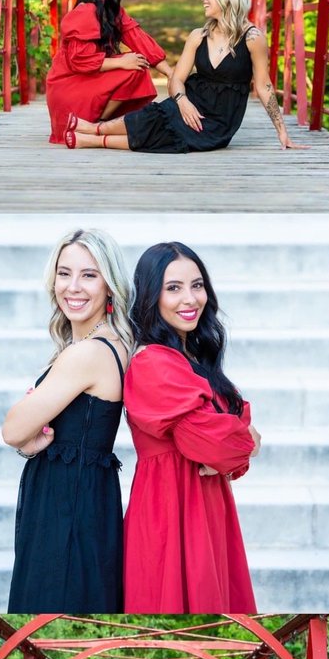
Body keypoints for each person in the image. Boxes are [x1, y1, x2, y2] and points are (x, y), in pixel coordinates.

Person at [122, 241, 261, 613]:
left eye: (197, 285)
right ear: (151, 296)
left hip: (206, 501)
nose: (190, 298)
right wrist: (244, 439)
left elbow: (229, 435)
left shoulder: (194, 359)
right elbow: (218, 442)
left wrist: (234, 440)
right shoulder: (152, 362)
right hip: (170, 506)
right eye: (173, 288)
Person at [2, 228, 132, 613]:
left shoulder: (88, 353)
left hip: (66, 509)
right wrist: (30, 439)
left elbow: (12, 429)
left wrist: (26, 435)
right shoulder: (109, 344)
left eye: (89, 275)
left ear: (110, 285)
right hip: (84, 498)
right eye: (64, 273)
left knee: (53, 596)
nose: (72, 287)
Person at [63, 0, 305, 152]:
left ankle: (91, 136)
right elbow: (177, 79)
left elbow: (264, 87)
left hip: (220, 121)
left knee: (169, 139)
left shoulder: (252, 38)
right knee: (150, 118)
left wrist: (282, 132)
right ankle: (91, 130)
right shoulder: (198, 36)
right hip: (189, 102)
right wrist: (183, 102)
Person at [46, 0, 171, 144]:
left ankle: (96, 126)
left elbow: (139, 40)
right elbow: (80, 61)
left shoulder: (112, 11)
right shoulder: (83, 12)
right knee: (132, 66)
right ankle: (92, 125)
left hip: (89, 81)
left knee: (136, 63)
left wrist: (171, 74)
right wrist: (121, 61)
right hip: (70, 85)